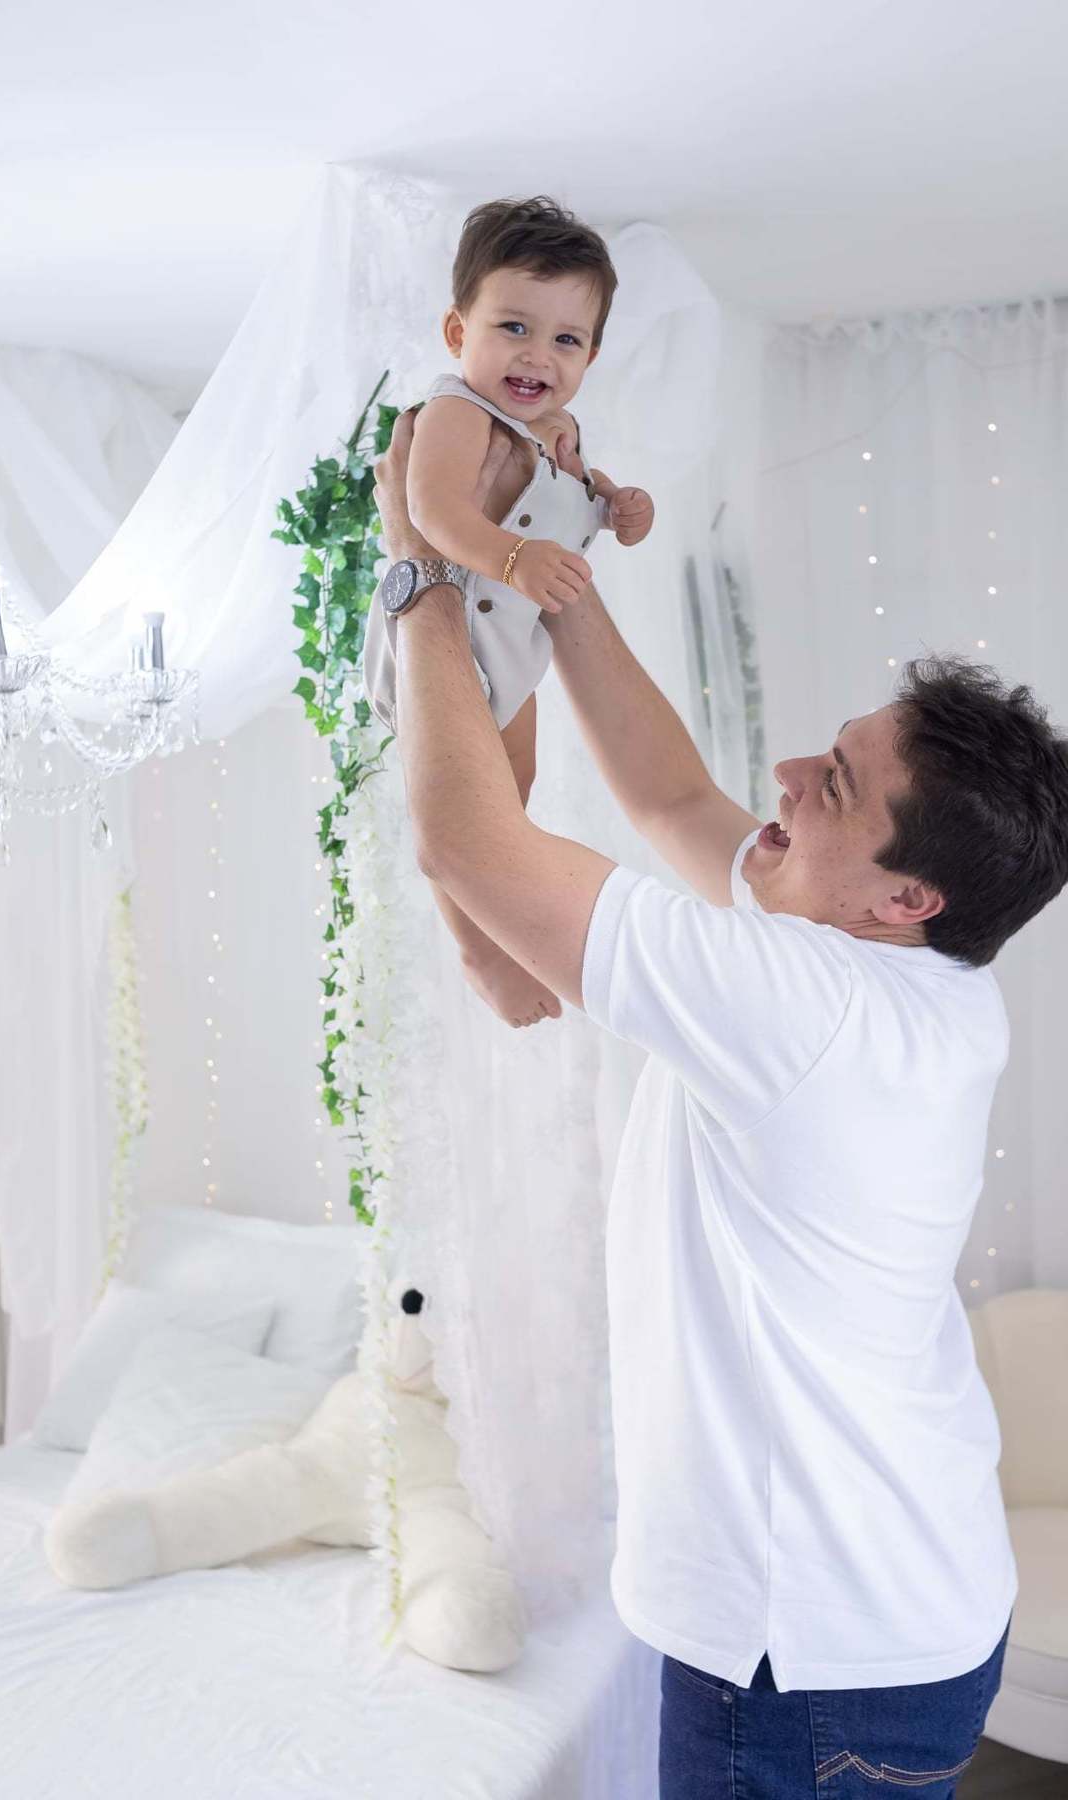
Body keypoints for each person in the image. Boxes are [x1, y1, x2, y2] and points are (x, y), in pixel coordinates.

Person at [369, 406, 1068, 1797]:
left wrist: (424, 574)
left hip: (805, 1656)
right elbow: (672, 789)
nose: (792, 775)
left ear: (902, 895)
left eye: (838, 784)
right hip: (895, 1608)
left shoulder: (801, 1006)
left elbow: (465, 838)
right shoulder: (914, 978)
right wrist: (555, 568)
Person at [362, 195, 653, 1029]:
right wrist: (516, 557)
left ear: (592, 355)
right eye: (513, 328)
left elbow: (581, 500)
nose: (538, 355)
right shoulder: (455, 412)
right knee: (455, 815)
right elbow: (432, 512)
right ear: (459, 335)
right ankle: (477, 949)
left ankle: (498, 929)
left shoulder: (555, 431)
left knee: (506, 803)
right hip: (440, 639)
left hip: (506, 649)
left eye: (566, 339)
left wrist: (620, 505)